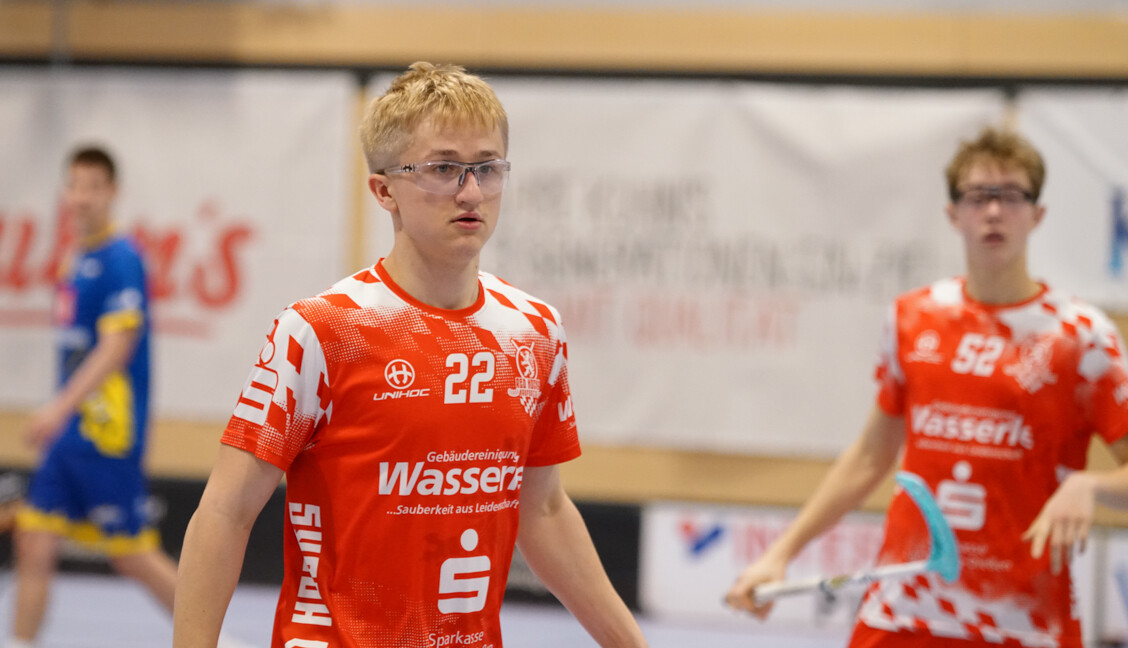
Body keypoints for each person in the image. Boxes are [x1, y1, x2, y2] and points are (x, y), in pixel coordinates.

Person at [173, 62, 648, 648]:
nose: (471, 191)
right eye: (444, 168)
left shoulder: (533, 331)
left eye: (487, 168)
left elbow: (543, 509)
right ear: (383, 190)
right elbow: (225, 512)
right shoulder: (322, 331)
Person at [726, 127, 1128, 647]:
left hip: (1025, 622)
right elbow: (871, 456)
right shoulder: (914, 318)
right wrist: (778, 554)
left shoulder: (1083, 338)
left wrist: (1088, 485)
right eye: (978, 195)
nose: (993, 211)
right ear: (952, 213)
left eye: (1011, 195)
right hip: (905, 611)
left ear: (1038, 214)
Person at [11, 146, 181, 647]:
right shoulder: (77, 258)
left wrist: (56, 408)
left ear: (112, 193)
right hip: (69, 435)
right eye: (74, 185)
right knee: (34, 540)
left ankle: (218, 639)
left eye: (92, 187)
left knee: (131, 555)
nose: (81, 197)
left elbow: (118, 345)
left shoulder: (121, 259)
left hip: (107, 431)